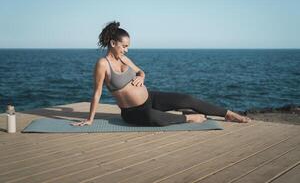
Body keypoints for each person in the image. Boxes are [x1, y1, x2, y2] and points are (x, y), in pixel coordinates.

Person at [71, 21, 251, 127]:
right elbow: (97, 92)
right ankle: (188, 117)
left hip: (150, 97)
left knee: (187, 98)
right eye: (124, 46)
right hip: (133, 112)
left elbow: (141, 71)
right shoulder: (103, 64)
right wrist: (89, 119)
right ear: (112, 43)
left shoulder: (125, 60)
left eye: (128, 46)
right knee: (152, 117)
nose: (127, 50)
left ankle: (227, 113)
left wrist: (141, 76)